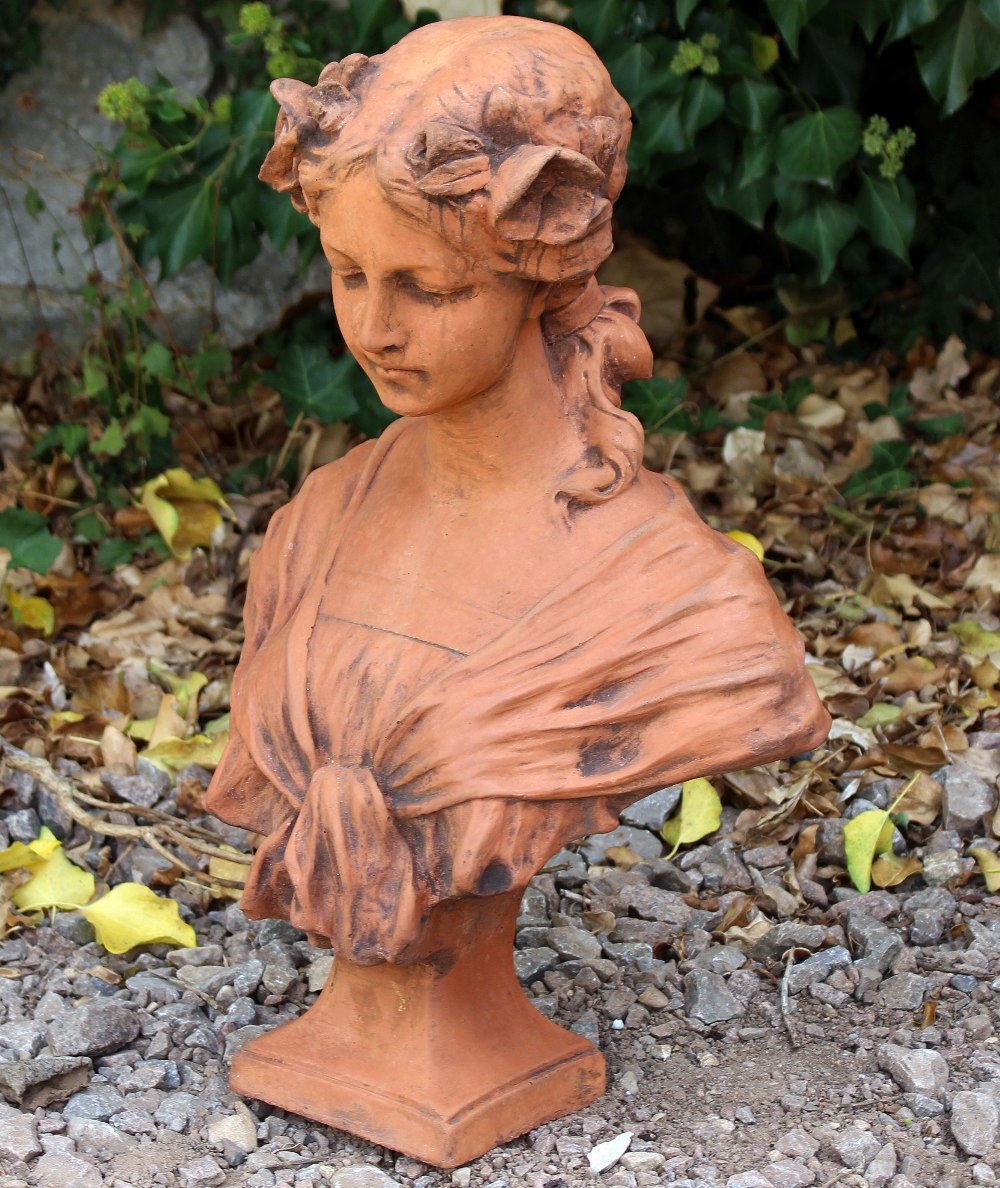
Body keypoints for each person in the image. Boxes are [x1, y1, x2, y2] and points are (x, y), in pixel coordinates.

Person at [206, 16, 830, 966]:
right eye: (348, 274)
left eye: (429, 289)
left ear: (543, 276)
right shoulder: (313, 529)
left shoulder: (684, 600)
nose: (374, 327)